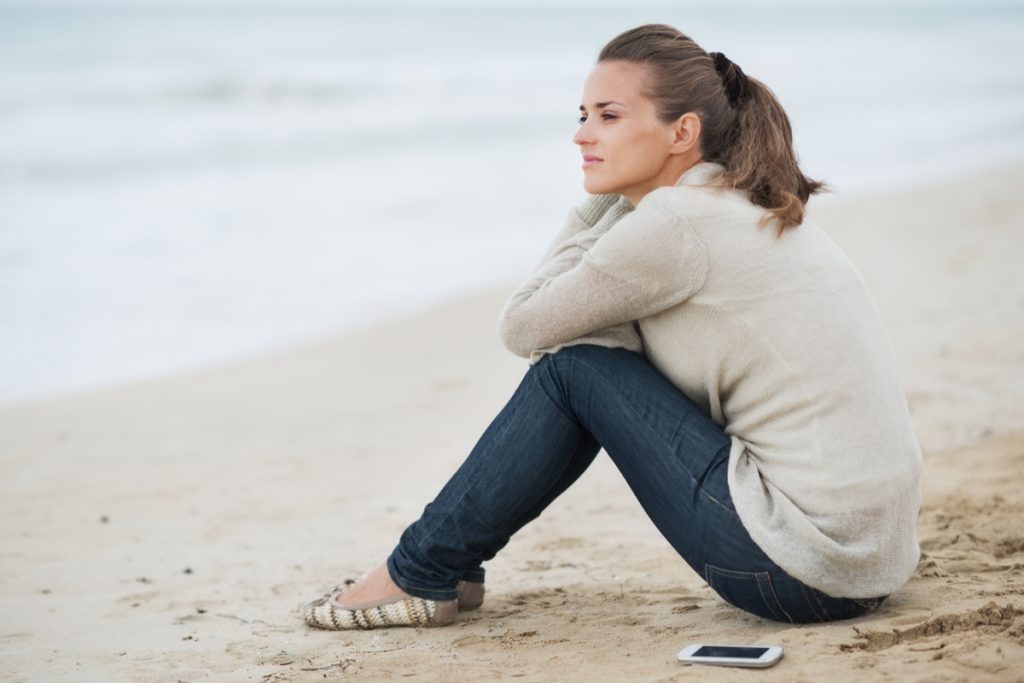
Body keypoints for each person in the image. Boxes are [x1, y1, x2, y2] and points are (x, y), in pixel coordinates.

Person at [303, 23, 921, 630]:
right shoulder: (739, 202)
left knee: (571, 370)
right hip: (868, 562)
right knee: (587, 359)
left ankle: (419, 570)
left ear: (683, 132)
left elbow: (524, 326)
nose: (580, 135)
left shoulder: (675, 225)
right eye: (582, 115)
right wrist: (627, 195)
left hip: (801, 570)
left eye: (608, 116)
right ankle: (447, 563)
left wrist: (603, 202)